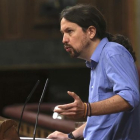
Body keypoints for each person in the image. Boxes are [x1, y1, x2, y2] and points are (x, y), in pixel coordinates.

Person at [47, 4, 140, 140]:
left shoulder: (112, 52)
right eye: (63, 33)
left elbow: (130, 97)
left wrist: (86, 109)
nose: (64, 40)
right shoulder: (96, 62)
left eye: (70, 31)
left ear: (91, 31)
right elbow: (103, 118)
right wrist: (70, 136)